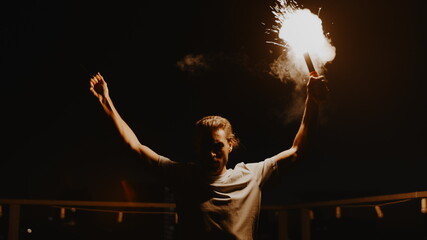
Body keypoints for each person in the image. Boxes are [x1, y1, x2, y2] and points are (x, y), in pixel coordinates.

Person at [89, 72, 328, 240]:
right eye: (205, 146)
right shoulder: (182, 176)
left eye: (218, 146)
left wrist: (313, 101)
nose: (211, 153)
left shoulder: (251, 175)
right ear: (196, 146)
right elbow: (135, 147)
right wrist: (105, 100)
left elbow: (297, 152)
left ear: (230, 145)